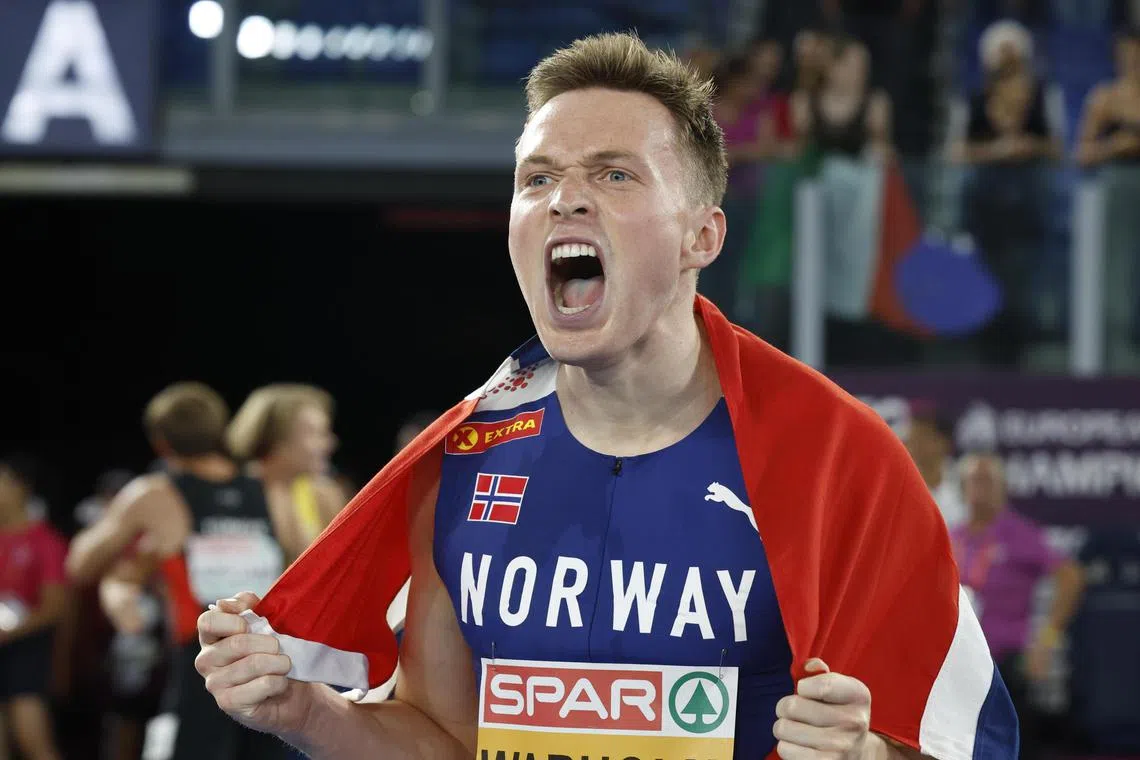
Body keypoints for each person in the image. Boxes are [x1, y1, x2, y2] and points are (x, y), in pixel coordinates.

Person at [196, 33, 1018, 760]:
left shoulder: (843, 459)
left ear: (703, 235)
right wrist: (304, 711)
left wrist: (865, 759)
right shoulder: (463, 465)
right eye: (538, 177)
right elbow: (441, 738)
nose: (567, 198)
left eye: (614, 173)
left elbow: (961, 743)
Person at [65, 382, 298, 760]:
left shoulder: (154, 494)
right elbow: (298, 568)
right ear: (222, 429)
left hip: (203, 664)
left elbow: (80, 564)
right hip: (272, 660)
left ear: (161, 443)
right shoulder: (271, 488)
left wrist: (122, 580)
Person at [951, 453, 1086, 760]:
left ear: (1003, 488)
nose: (980, 489)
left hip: (1006, 662)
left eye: (988, 482)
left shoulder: (1018, 533)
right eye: (974, 481)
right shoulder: (953, 536)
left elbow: (1071, 576)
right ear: (962, 488)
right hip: (957, 661)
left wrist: (1047, 639)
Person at [226, 384, 347, 557]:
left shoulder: (325, 496)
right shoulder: (230, 494)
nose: (330, 444)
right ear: (276, 437)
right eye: (317, 434)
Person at [0, 455, 66, 760]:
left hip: (25, 651)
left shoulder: (45, 541)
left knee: (33, 743)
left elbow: (54, 607)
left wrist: (9, 631)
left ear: (21, 487)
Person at [903, 401, 966, 530]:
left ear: (945, 442)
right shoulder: (898, 485)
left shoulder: (966, 483)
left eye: (923, 437)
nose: (915, 445)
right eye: (912, 438)